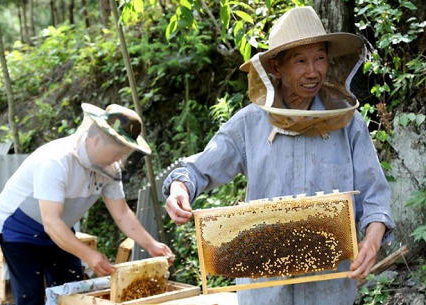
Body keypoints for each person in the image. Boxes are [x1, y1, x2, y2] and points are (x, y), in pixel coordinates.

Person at [163, 6, 395, 305]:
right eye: (300, 61)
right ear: (276, 68)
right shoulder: (249, 123)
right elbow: (196, 170)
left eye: (320, 58)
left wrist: (372, 240)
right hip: (265, 291)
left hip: (329, 291)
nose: (313, 72)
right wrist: (179, 189)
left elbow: (375, 197)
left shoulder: (349, 124)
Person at [0, 103, 174, 305]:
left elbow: (122, 213)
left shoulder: (109, 169)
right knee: (30, 295)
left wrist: (151, 244)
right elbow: (50, 222)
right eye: (116, 153)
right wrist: (89, 255)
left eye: (123, 154)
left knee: (72, 290)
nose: (119, 159)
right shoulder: (56, 160)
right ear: (96, 140)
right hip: (18, 228)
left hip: (59, 228)